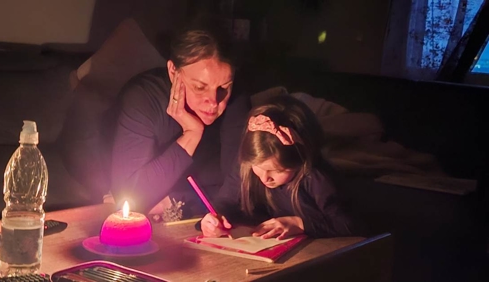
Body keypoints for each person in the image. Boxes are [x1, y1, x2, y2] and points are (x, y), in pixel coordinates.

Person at [110, 23, 251, 215]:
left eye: (223, 88)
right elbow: (130, 198)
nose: (213, 102)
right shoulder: (143, 99)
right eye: (200, 87)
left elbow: (239, 188)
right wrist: (191, 134)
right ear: (173, 71)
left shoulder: (236, 99)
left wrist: (176, 200)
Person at [201, 95, 356, 239]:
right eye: (257, 166)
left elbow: (349, 225)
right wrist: (213, 220)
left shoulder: (316, 178)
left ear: (300, 159)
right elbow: (224, 203)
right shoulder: (246, 166)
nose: (264, 178)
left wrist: (300, 223)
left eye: (277, 170)